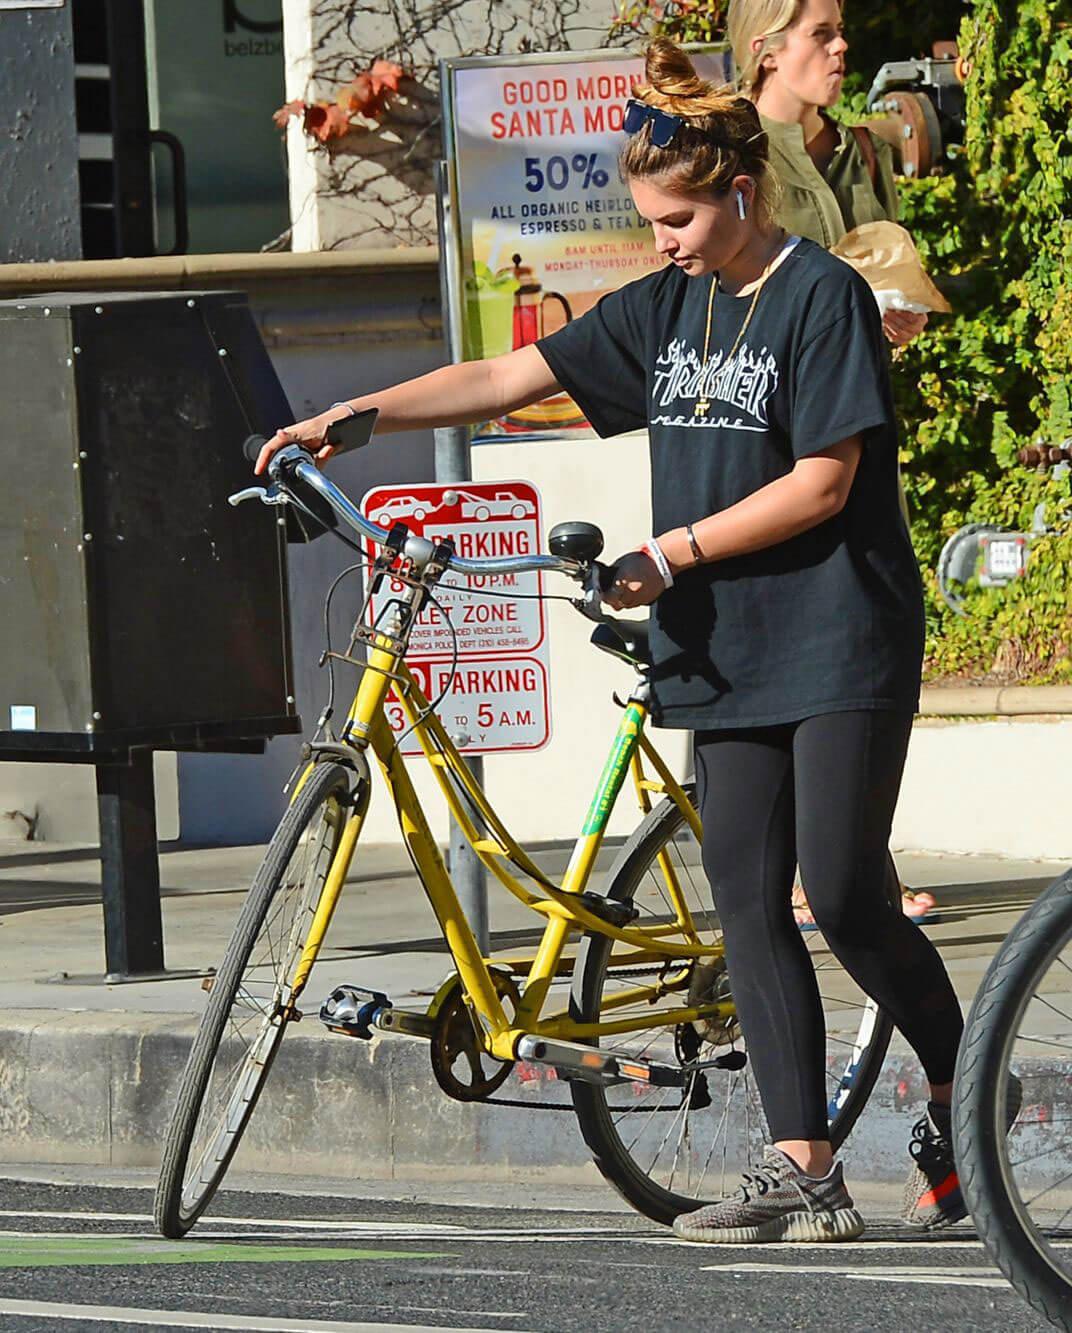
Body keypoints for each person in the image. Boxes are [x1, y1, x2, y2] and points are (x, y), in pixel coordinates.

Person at [256, 38, 966, 1240]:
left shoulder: (820, 296)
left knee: (843, 893)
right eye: (650, 222)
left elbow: (822, 485)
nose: (662, 243)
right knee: (747, 895)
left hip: (842, 632)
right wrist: (353, 415)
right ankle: (805, 1168)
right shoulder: (666, 306)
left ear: (740, 193)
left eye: (677, 219)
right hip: (721, 644)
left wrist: (672, 552)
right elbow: (507, 370)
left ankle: (961, 1087)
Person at [729, 0, 938, 924]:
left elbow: (876, 266)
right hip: (778, 431)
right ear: (767, 48)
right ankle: (829, 874)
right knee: (813, 631)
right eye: (822, 32)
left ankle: (858, 866)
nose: (843, 46)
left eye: (842, 28)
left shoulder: (856, 150)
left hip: (858, 414)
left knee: (859, 633)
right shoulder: (738, 153)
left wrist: (893, 313)